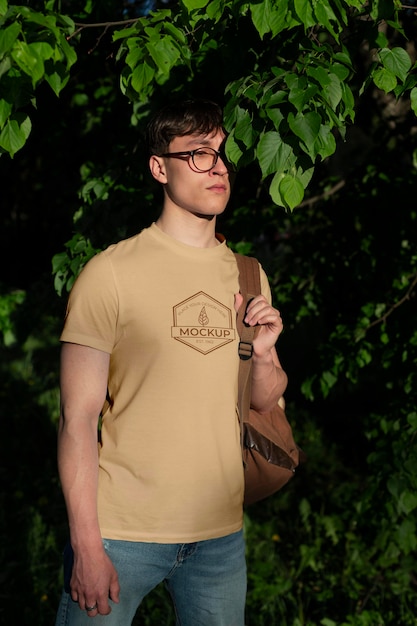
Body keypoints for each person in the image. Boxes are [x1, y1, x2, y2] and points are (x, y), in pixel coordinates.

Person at [55, 98, 287, 625]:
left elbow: (264, 400)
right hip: (120, 535)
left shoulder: (247, 274)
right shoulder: (109, 273)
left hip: (219, 540)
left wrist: (267, 352)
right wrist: (87, 547)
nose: (219, 167)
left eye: (223, 154)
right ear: (160, 167)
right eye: (199, 154)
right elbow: (77, 420)